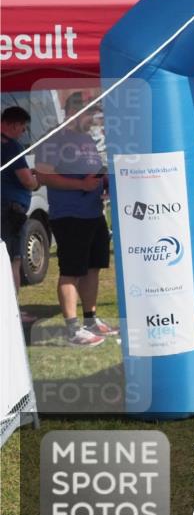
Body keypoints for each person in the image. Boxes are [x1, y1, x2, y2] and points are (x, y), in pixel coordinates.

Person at [35, 92, 116, 347]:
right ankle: (72, 329)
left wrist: (103, 181)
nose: (94, 119)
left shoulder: (87, 140)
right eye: (91, 113)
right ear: (75, 111)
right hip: (69, 215)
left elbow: (91, 170)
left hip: (93, 212)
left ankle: (90, 319)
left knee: (93, 267)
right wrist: (80, 183)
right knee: (71, 270)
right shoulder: (54, 138)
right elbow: (43, 176)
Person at [1, 106, 40, 325]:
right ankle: (13, 311)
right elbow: (26, 179)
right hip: (8, 212)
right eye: (23, 128)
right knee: (13, 262)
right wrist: (37, 182)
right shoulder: (11, 146)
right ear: (13, 124)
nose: (23, 133)